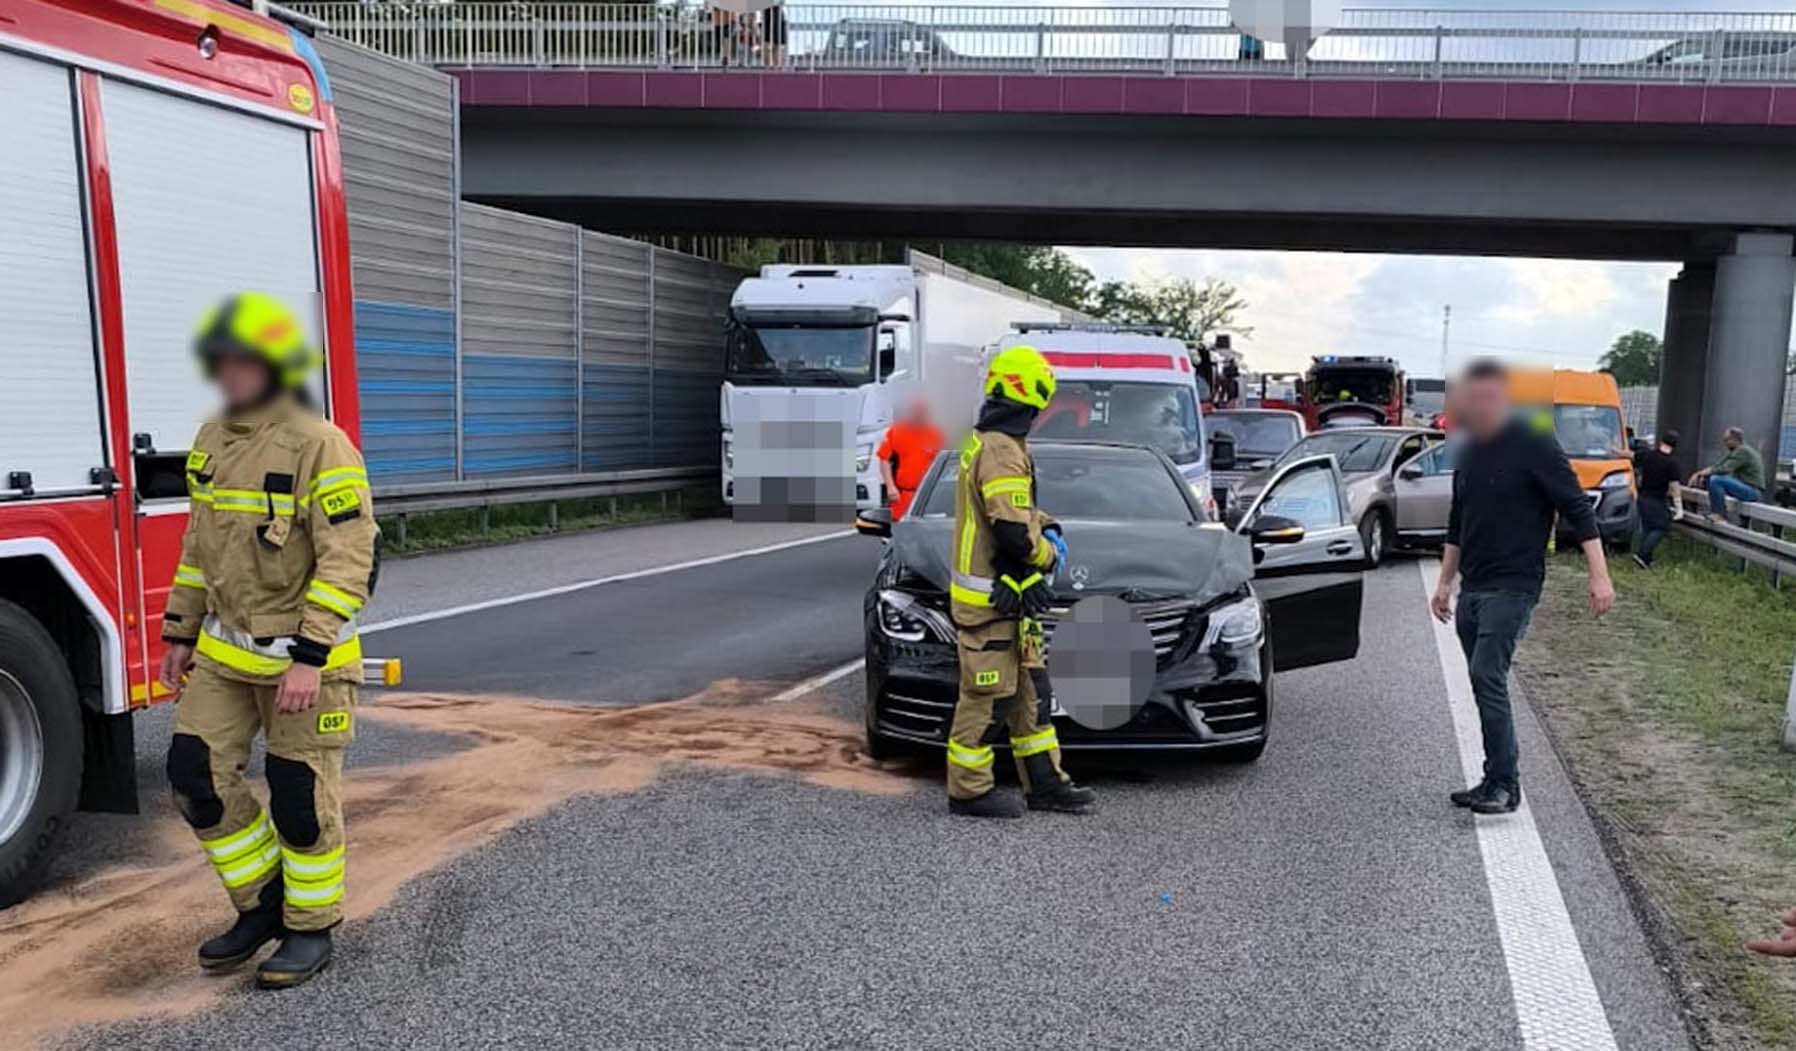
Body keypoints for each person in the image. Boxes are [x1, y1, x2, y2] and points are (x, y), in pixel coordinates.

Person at [158, 293, 377, 989]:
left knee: (299, 798)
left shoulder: (320, 443)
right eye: (221, 359)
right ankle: (261, 905)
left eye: (243, 359)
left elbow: (349, 559)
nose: (228, 371)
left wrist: (310, 656)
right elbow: (199, 548)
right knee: (194, 775)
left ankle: (310, 928)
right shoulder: (212, 439)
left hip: (305, 662)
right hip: (226, 656)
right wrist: (180, 630)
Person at [1430, 359, 1614, 815]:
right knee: (1482, 682)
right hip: (1473, 585)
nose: (1480, 406)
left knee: (1486, 674)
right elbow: (1458, 521)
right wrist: (1444, 582)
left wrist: (1599, 574)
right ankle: (1492, 776)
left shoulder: (1534, 443)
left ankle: (1506, 785)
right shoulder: (1470, 451)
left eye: (1489, 397)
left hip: (1514, 584)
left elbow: (1577, 507)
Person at [946, 346, 1095, 818]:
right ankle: (968, 792)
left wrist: (1047, 525)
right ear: (1031, 394)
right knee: (986, 700)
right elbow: (1011, 532)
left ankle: (1046, 784)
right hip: (991, 602)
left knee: (1031, 696)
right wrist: (1047, 555)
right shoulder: (1000, 450)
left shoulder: (998, 444)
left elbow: (1017, 513)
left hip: (1009, 601)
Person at [875, 397, 943, 520]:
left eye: (922, 412)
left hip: (927, 496)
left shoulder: (934, 434)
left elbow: (942, 464)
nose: (919, 416)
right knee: (899, 526)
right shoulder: (897, 432)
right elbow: (884, 459)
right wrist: (890, 486)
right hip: (903, 494)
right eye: (916, 412)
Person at [1691, 426, 1765, 524]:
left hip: (1752, 491)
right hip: (1745, 487)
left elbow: (1724, 469)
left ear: (1734, 439)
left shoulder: (1743, 451)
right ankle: (1700, 507)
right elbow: (1718, 465)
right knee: (1711, 478)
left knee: (1716, 480)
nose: (1725, 443)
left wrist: (1703, 473)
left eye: (1726, 440)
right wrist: (1700, 474)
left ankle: (1719, 515)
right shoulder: (1737, 450)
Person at [1632, 429, 1682, 569]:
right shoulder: (1672, 463)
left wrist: (1614, 450)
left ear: (1661, 441)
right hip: (1656, 499)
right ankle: (1642, 554)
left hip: (1642, 497)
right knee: (1662, 527)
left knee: (1648, 528)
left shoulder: (1648, 455)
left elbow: (1631, 455)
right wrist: (1679, 508)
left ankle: (1646, 561)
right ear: (1675, 446)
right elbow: (1675, 486)